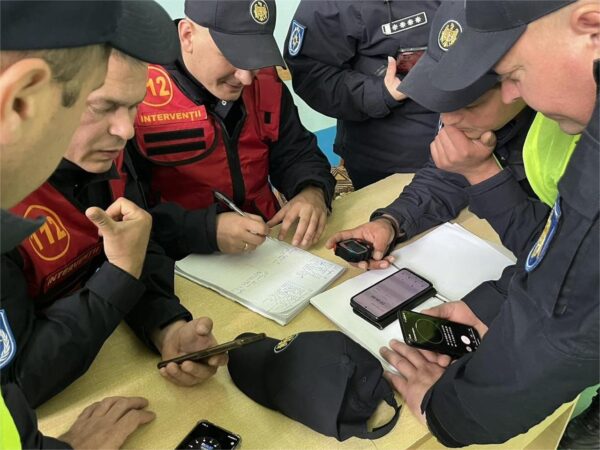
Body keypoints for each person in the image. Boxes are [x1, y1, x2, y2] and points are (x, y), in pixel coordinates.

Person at [379, 0, 599, 446]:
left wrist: (451, 413)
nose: (514, 94)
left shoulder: (565, 109)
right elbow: (563, 248)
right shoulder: (569, 102)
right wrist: (495, 300)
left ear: (592, 26)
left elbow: (567, 317)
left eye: (513, 74)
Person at [0, 1, 175, 448]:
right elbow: (15, 381)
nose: (126, 131)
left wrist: (165, 320)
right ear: (21, 98)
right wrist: (119, 274)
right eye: (96, 102)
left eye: (134, 107)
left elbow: (137, 237)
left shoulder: (100, 153)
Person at [325, 1, 544, 270]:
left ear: (516, 81)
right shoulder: (482, 117)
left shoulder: (573, 132)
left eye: (470, 104)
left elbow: (560, 259)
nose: (448, 120)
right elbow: (447, 177)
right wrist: (392, 221)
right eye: (444, 102)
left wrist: (483, 174)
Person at [128, 0, 336, 260]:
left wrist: (312, 190)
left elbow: (296, 153)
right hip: (178, 258)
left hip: (267, 246)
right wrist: (206, 229)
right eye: (234, 56)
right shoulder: (135, 93)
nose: (246, 78)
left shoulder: (265, 83)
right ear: (188, 35)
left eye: (254, 58)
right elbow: (125, 212)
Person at [283, 0, 442, 189]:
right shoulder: (329, 5)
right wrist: (380, 93)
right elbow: (312, 74)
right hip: (394, 156)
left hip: (467, 134)